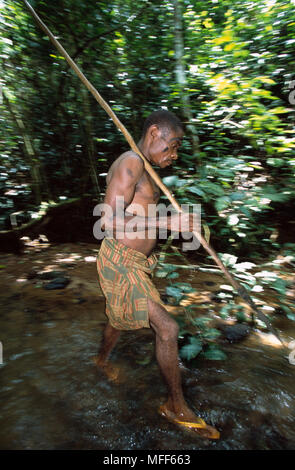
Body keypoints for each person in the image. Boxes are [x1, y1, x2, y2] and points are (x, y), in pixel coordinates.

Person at [94, 109, 220, 439]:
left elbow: (145, 216)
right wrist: (167, 223)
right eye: (172, 146)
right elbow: (108, 222)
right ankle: (175, 406)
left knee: (119, 314)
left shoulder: (148, 168)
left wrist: (188, 229)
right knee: (167, 327)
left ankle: (101, 360)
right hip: (120, 261)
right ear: (153, 134)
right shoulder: (130, 163)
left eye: (178, 148)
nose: (175, 155)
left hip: (138, 263)